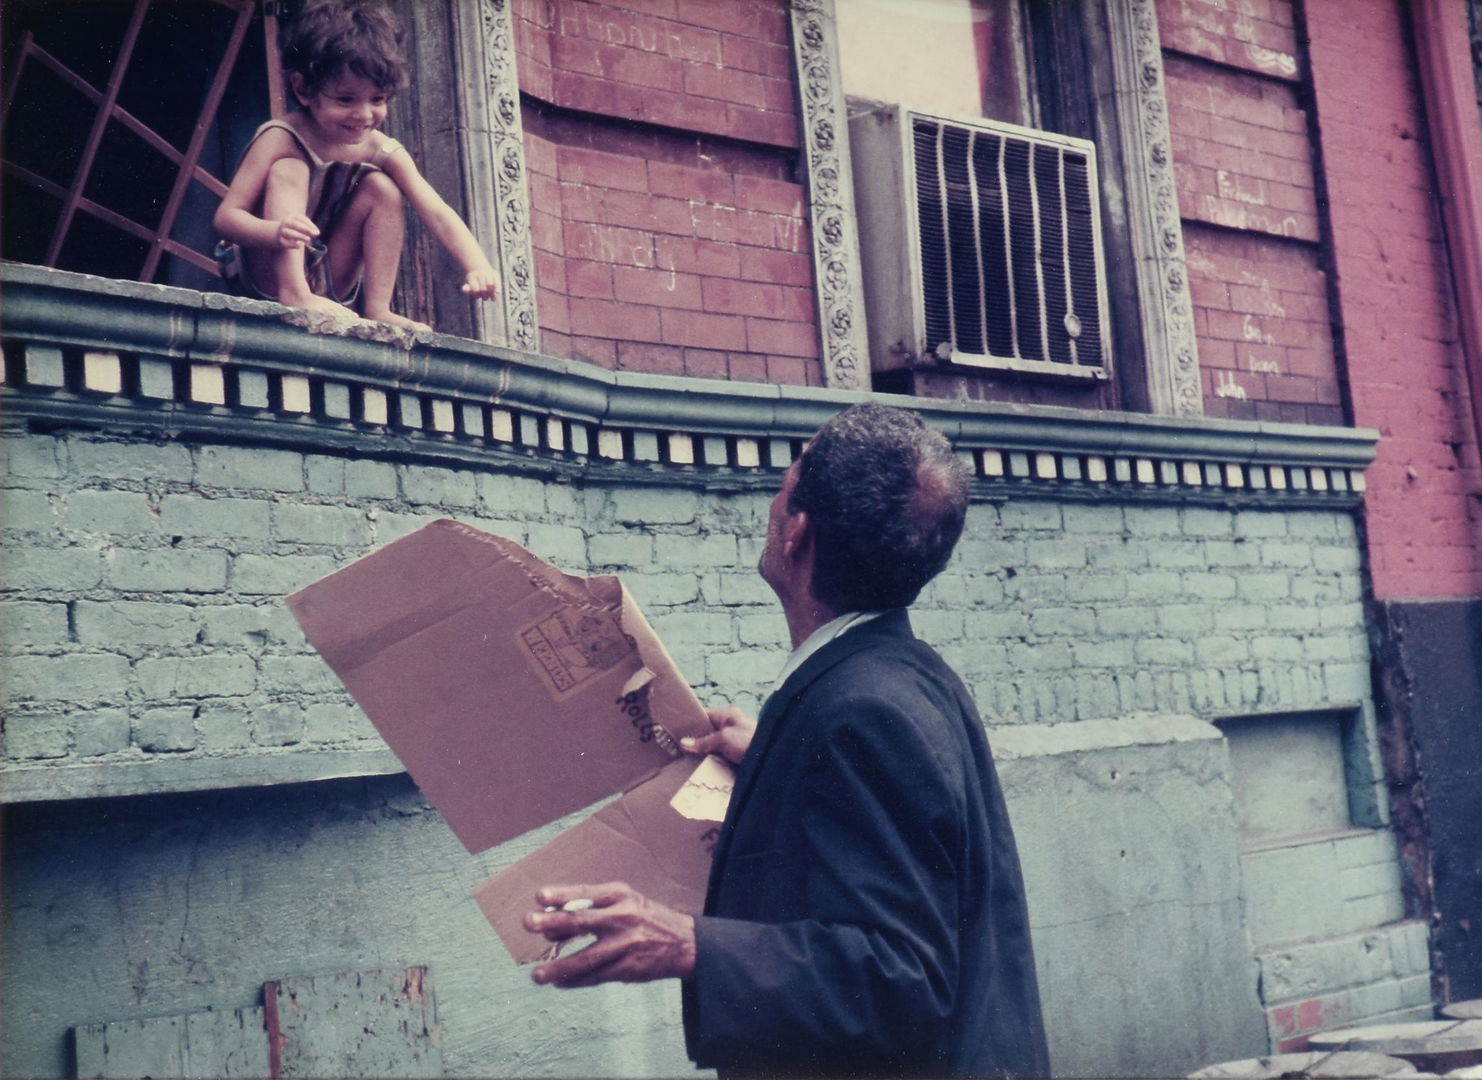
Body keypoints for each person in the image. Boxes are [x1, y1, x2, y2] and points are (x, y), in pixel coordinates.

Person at [526, 402, 1051, 1079]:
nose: (774, 503)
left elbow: (904, 978)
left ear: (797, 532)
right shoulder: (904, 678)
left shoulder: (862, 714)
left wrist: (691, 944)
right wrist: (779, 755)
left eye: (785, 485)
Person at [212, 0, 500, 331]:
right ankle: (295, 291)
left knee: (383, 187)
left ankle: (379, 308)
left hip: (330, 281)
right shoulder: (281, 137)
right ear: (303, 89)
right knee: (289, 169)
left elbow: (436, 211)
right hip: (265, 274)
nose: (364, 115)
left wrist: (477, 265)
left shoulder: (380, 147)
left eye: (377, 100)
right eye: (346, 99)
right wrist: (276, 232)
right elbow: (226, 219)